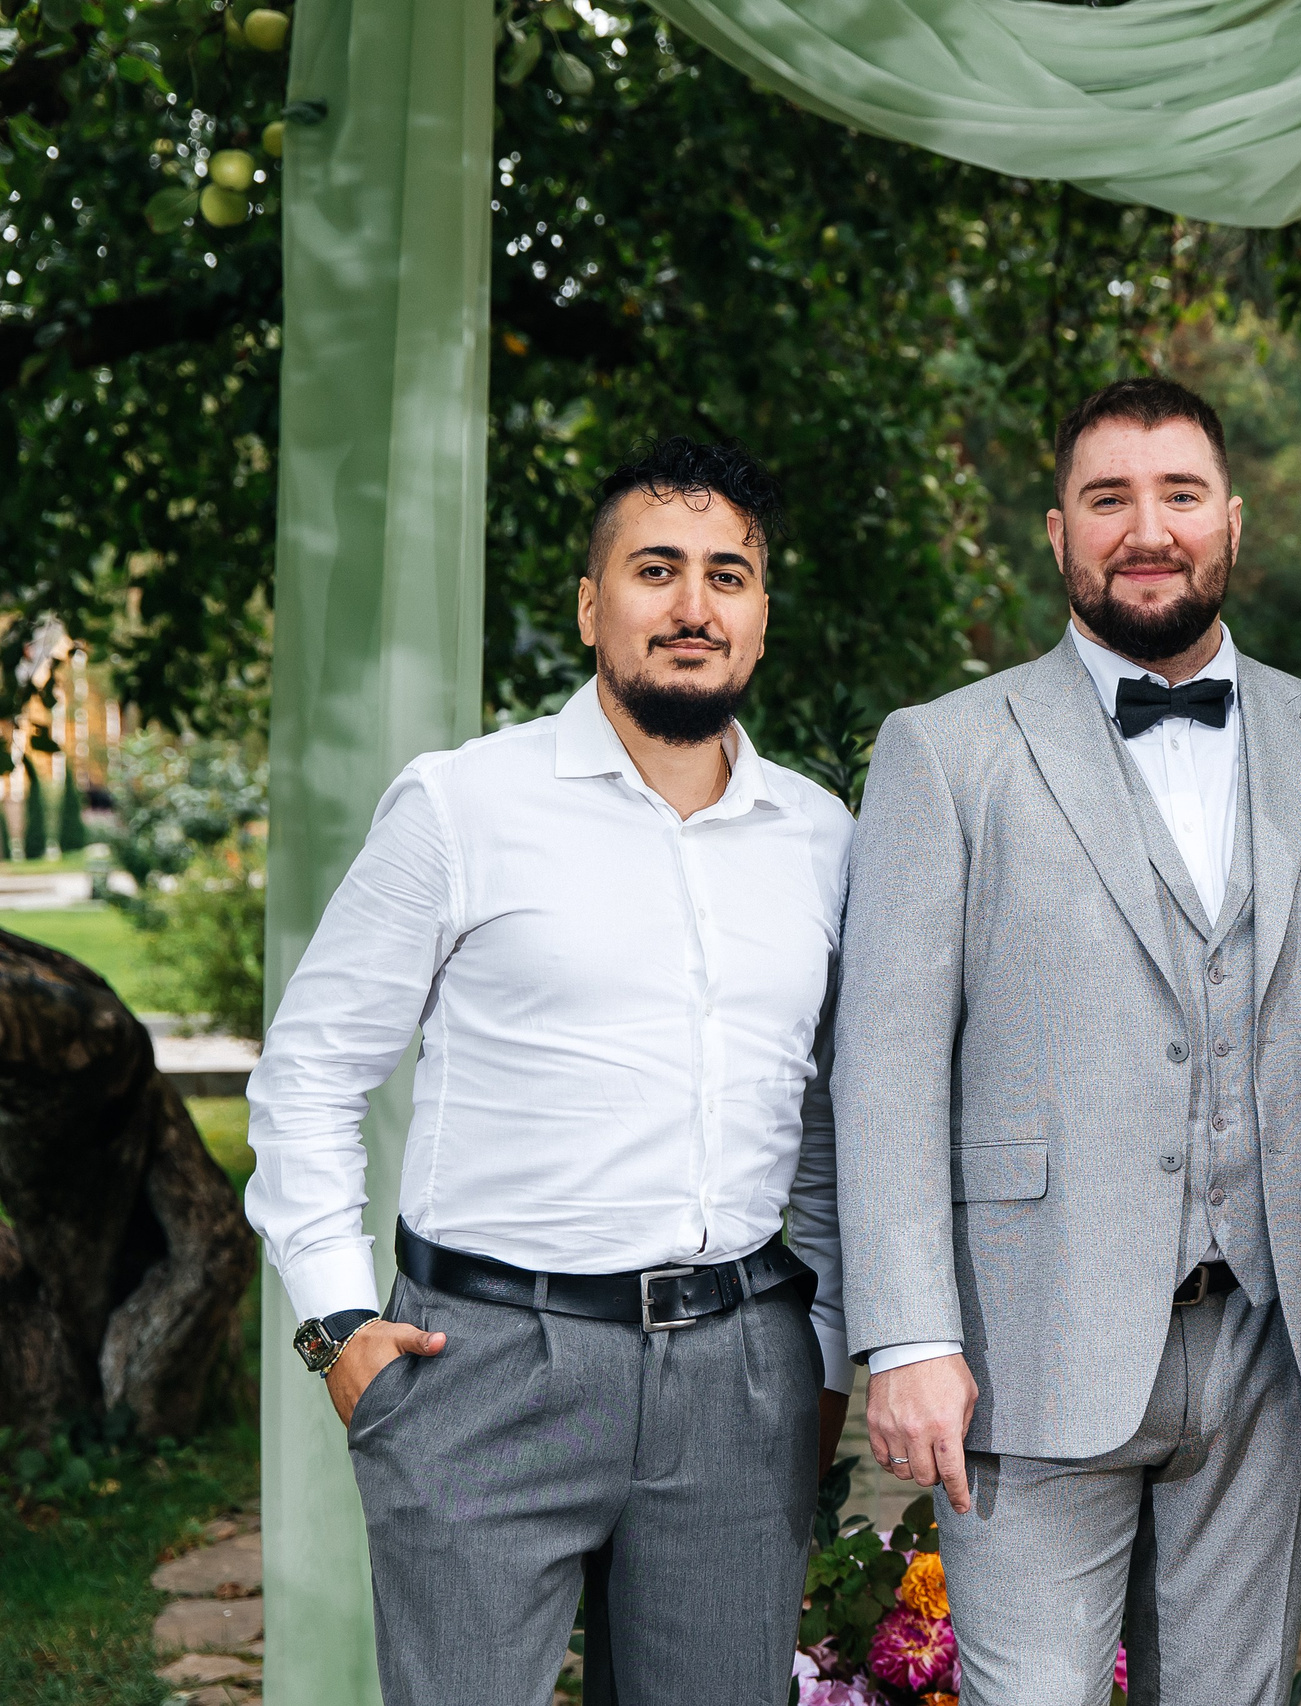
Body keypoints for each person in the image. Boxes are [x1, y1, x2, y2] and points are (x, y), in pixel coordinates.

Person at [837, 376, 1301, 1706]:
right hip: (1025, 1336)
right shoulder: (947, 753)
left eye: (1178, 493)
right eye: (1107, 497)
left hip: (1275, 1338)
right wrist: (907, 1336)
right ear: (1057, 533)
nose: (1146, 526)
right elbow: (881, 1068)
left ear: (1231, 521)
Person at [243, 437, 854, 1706]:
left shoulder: (822, 836)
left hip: (743, 1379)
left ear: (760, 614)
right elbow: (308, 1071)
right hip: (486, 1368)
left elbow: (829, 1125)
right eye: (656, 568)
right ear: (591, 604)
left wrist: (831, 1348)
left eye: (726, 575)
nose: (693, 606)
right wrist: (338, 1323)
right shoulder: (462, 805)